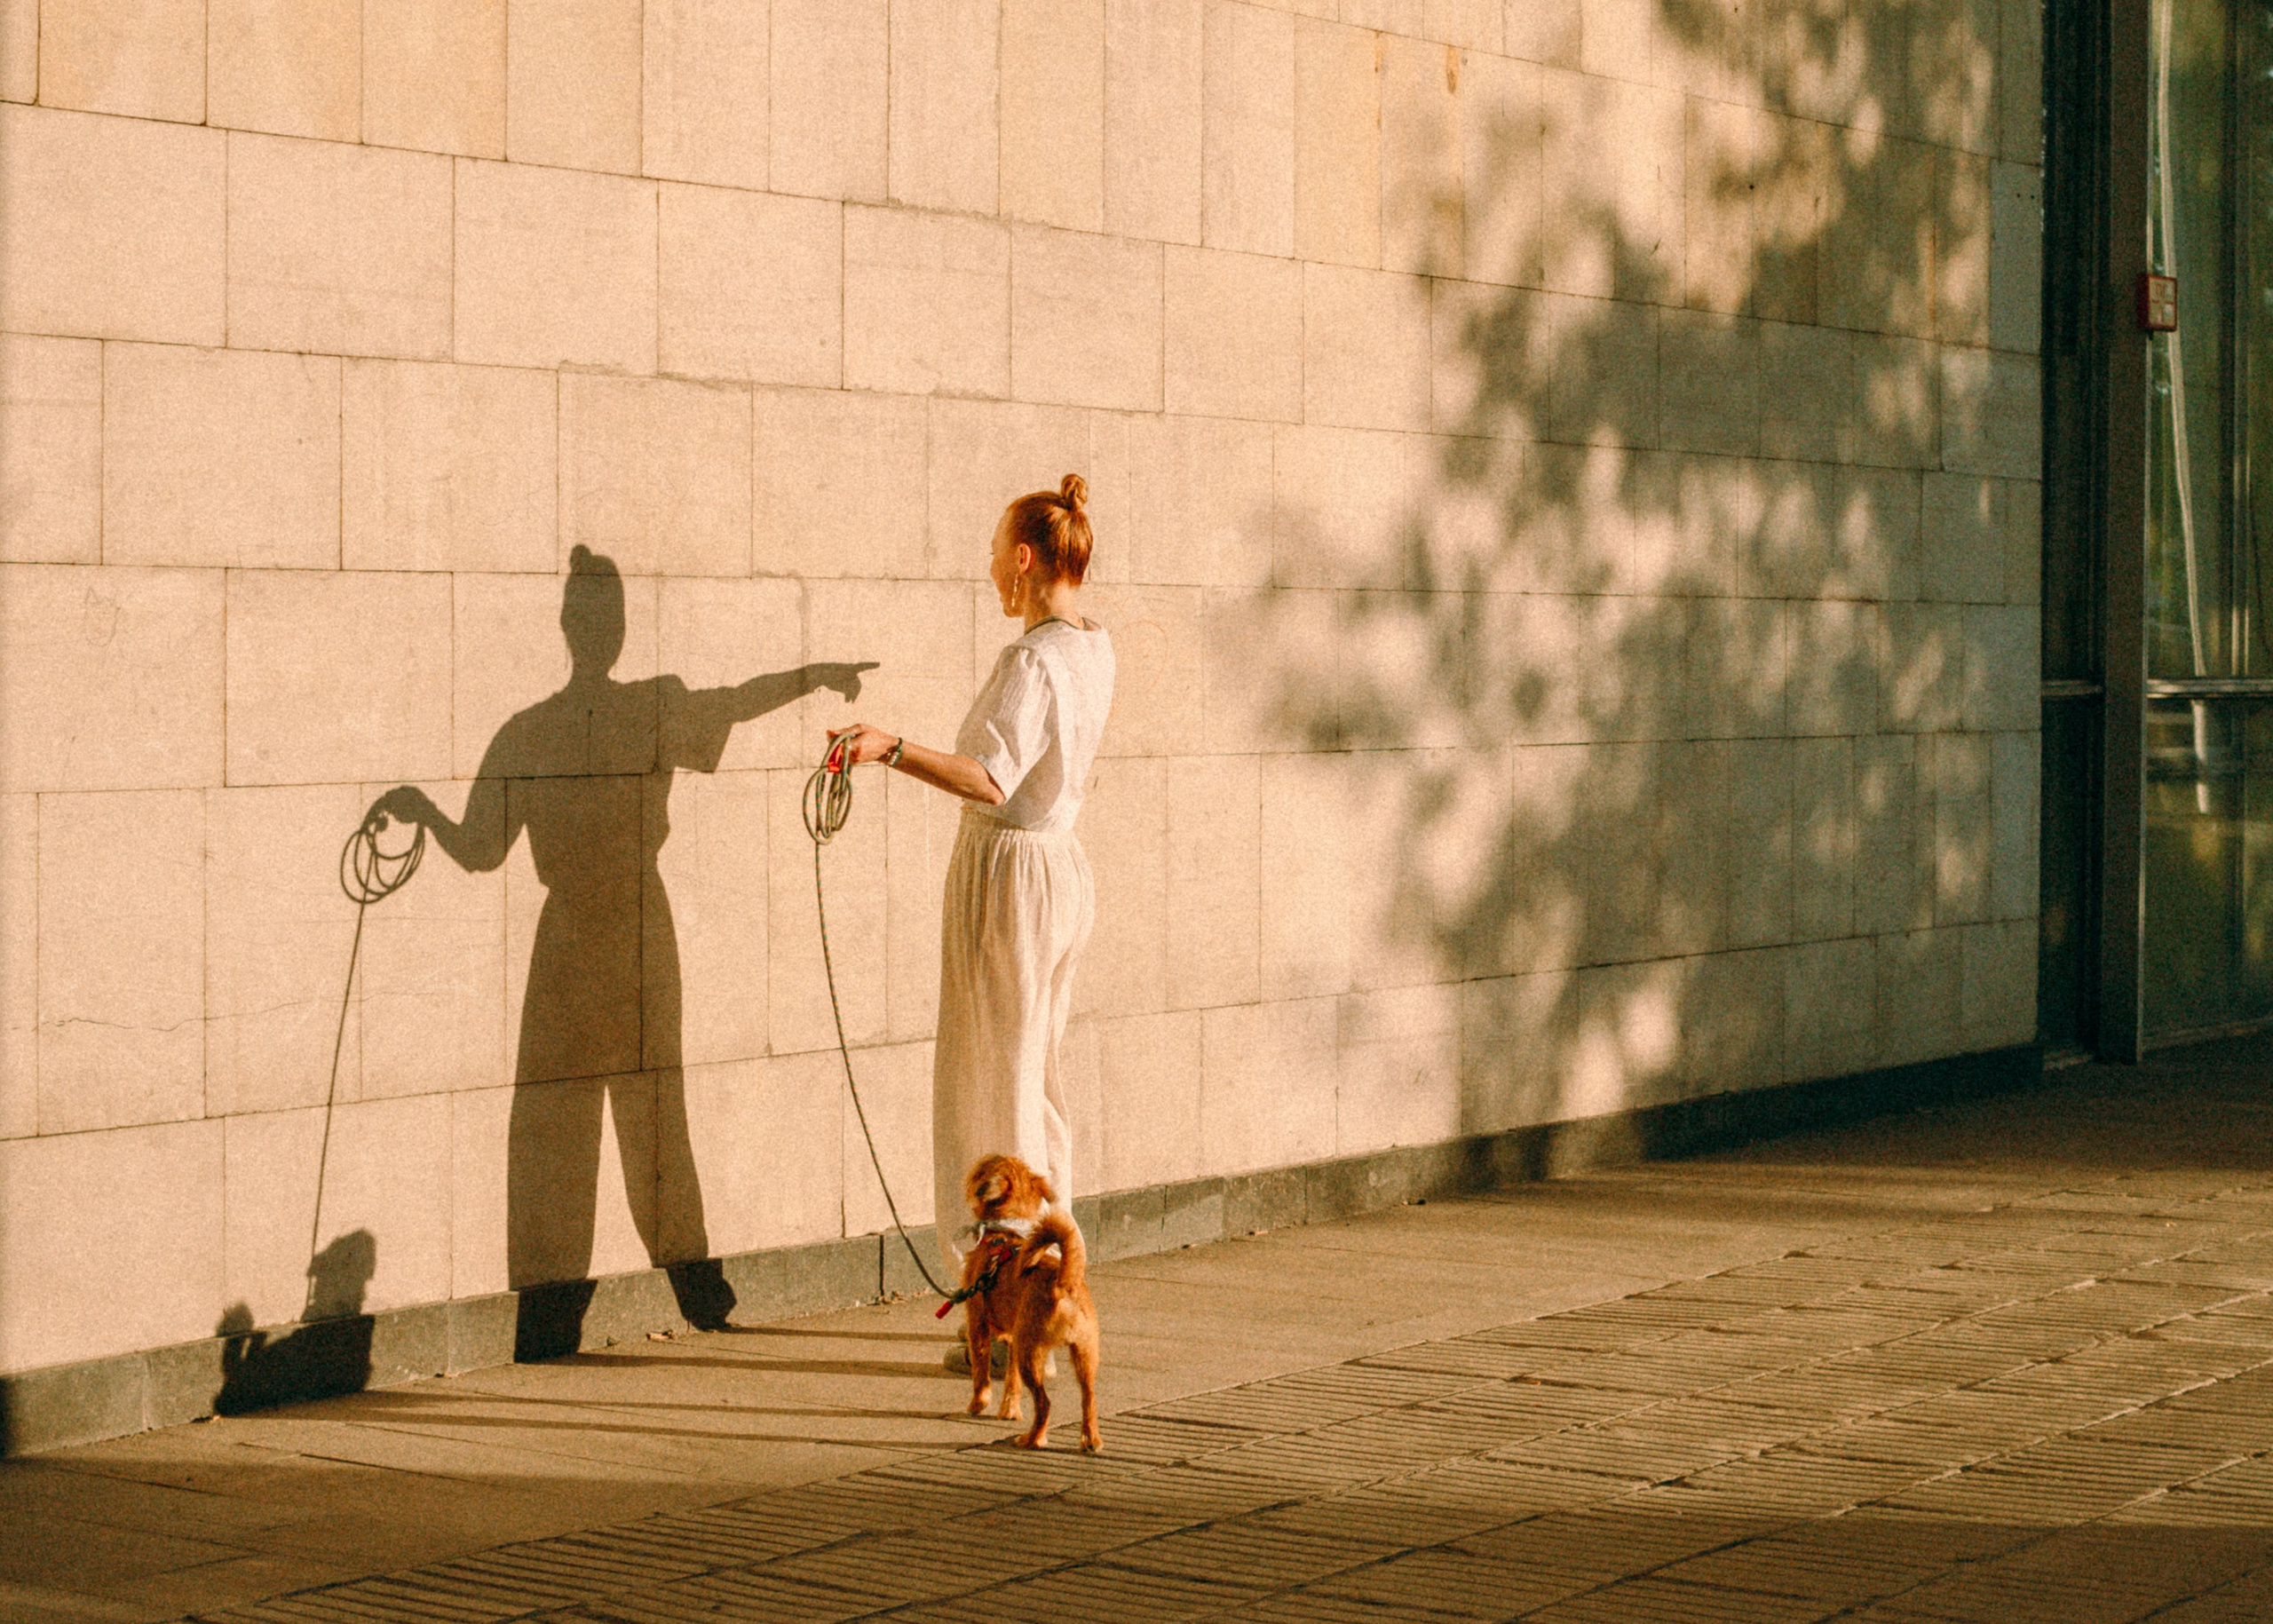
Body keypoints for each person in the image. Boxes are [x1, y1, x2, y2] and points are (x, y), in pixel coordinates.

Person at [827, 474, 1115, 1368]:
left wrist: (890, 749)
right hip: (1055, 868)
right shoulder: (1091, 646)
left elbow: (991, 776)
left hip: (1014, 878)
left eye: (997, 554)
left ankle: (1012, 1303)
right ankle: (1048, 1284)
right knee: (1033, 1079)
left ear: (1025, 561)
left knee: (991, 1087)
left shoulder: (1031, 661)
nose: (991, 570)